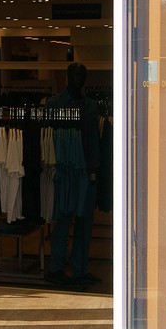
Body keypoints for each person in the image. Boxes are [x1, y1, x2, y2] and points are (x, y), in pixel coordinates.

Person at [46, 62, 101, 287]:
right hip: (65, 170)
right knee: (63, 220)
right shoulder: (54, 104)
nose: (79, 78)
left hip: (87, 170)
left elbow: (95, 140)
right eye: (76, 74)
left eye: (83, 75)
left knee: (85, 222)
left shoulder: (91, 106)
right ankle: (56, 267)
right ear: (68, 76)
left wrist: (95, 169)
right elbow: (48, 139)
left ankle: (80, 269)